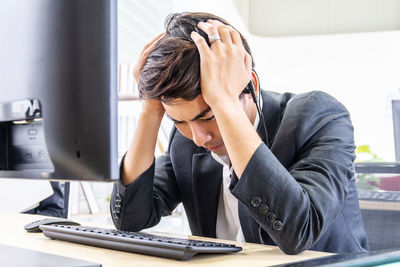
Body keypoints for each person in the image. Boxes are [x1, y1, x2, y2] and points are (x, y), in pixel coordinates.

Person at [110, 12, 368, 254]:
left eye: (208, 116)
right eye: (179, 121)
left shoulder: (318, 116)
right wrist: (150, 109)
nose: (199, 138)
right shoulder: (185, 141)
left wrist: (223, 104)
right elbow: (130, 218)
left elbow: (298, 231)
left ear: (251, 86)